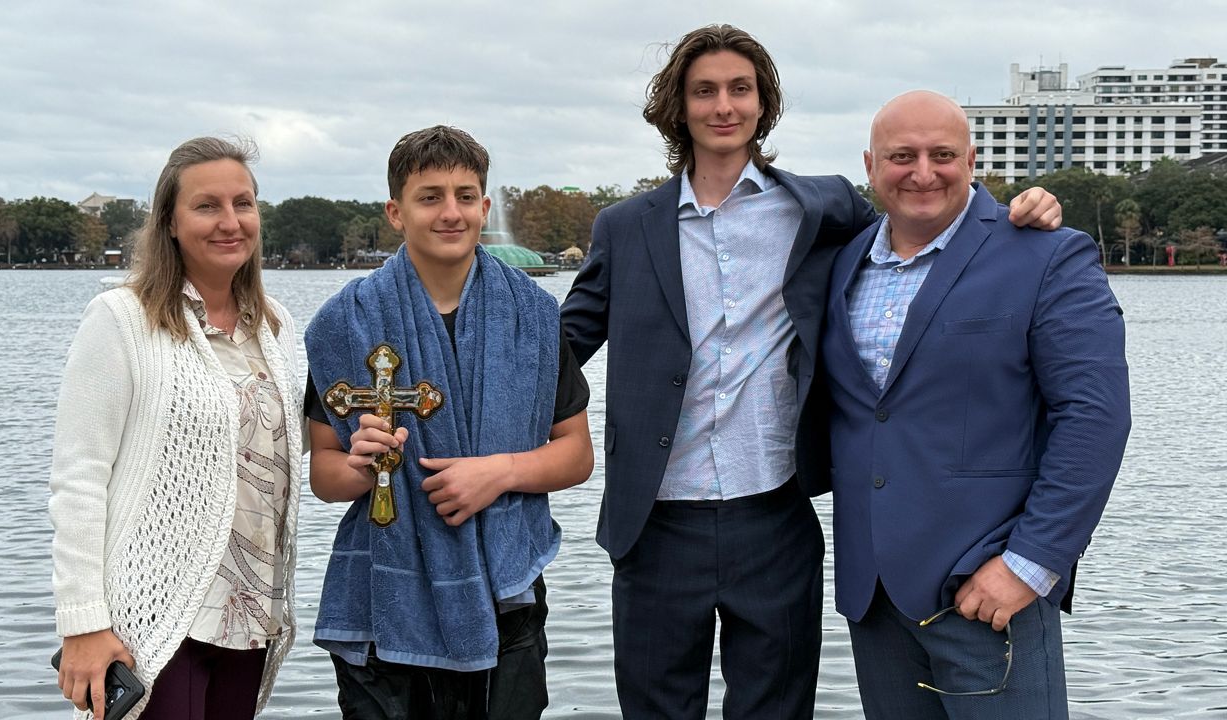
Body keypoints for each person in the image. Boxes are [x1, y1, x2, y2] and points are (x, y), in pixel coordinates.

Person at [559, 25, 1063, 720]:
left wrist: (1019, 211)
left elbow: (929, 216)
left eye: (742, 88)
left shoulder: (822, 208)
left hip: (775, 516)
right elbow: (559, 349)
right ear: (678, 106)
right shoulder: (625, 227)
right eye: (704, 91)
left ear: (764, 103)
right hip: (654, 521)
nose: (724, 105)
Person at [821, 90, 1130, 719]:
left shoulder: (1046, 254)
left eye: (942, 155)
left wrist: (1031, 563)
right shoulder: (841, 261)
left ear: (972, 159)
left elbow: (1094, 418)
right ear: (870, 164)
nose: (922, 172)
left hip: (989, 588)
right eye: (901, 156)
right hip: (874, 597)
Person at [304, 125, 593, 719]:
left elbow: (577, 454)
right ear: (395, 211)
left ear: (485, 207)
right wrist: (362, 464)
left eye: (466, 196)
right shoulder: (346, 323)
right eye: (429, 196)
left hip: (507, 595)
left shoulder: (535, 315)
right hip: (386, 602)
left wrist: (500, 473)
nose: (451, 212)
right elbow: (324, 475)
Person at [49, 137, 304, 719]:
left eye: (244, 203)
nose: (230, 222)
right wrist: (83, 621)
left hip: (251, 612)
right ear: (168, 219)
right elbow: (79, 477)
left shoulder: (276, 325)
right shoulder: (121, 320)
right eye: (207, 205)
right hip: (158, 614)